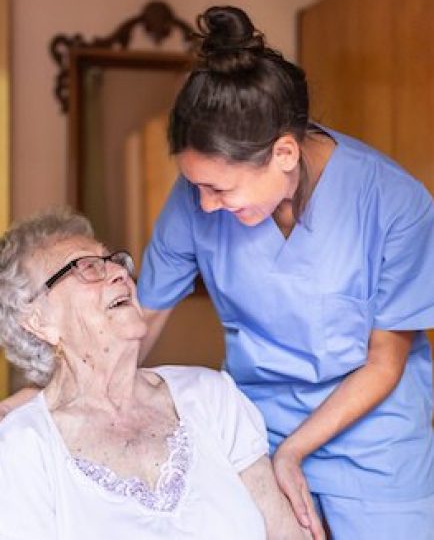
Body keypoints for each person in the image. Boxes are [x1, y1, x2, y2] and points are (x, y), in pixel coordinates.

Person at [135, 5, 434, 540]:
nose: (203, 206)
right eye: (196, 185)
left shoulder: (395, 203)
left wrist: (295, 451)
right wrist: (62, 398)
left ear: (285, 153)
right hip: (257, 430)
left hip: (375, 443)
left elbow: (385, 362)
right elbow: (145, 314)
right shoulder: (193, 200)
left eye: (220, 189)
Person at [0, 210, 314, 540]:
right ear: (38, 321)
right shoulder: (22, 447)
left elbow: (285, 532)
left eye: (112, 260)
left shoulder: (209, 395)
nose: (120, 271)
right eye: (87, 267)